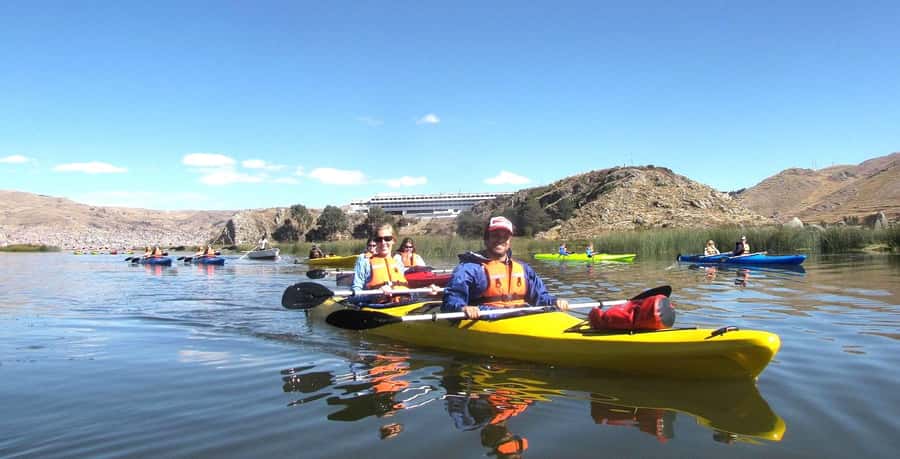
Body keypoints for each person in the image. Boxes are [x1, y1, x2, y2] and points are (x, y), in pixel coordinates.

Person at [443, 216, 568, 318]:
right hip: (487, 318)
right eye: (495, 235)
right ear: (486, 239)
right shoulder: (469, 269)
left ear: (509, 241)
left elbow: (540, 296)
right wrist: (462, 307)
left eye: (505, 236)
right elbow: (452, 299)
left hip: (523, 315)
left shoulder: (524, 268)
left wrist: (554, 301)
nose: (500, 240)